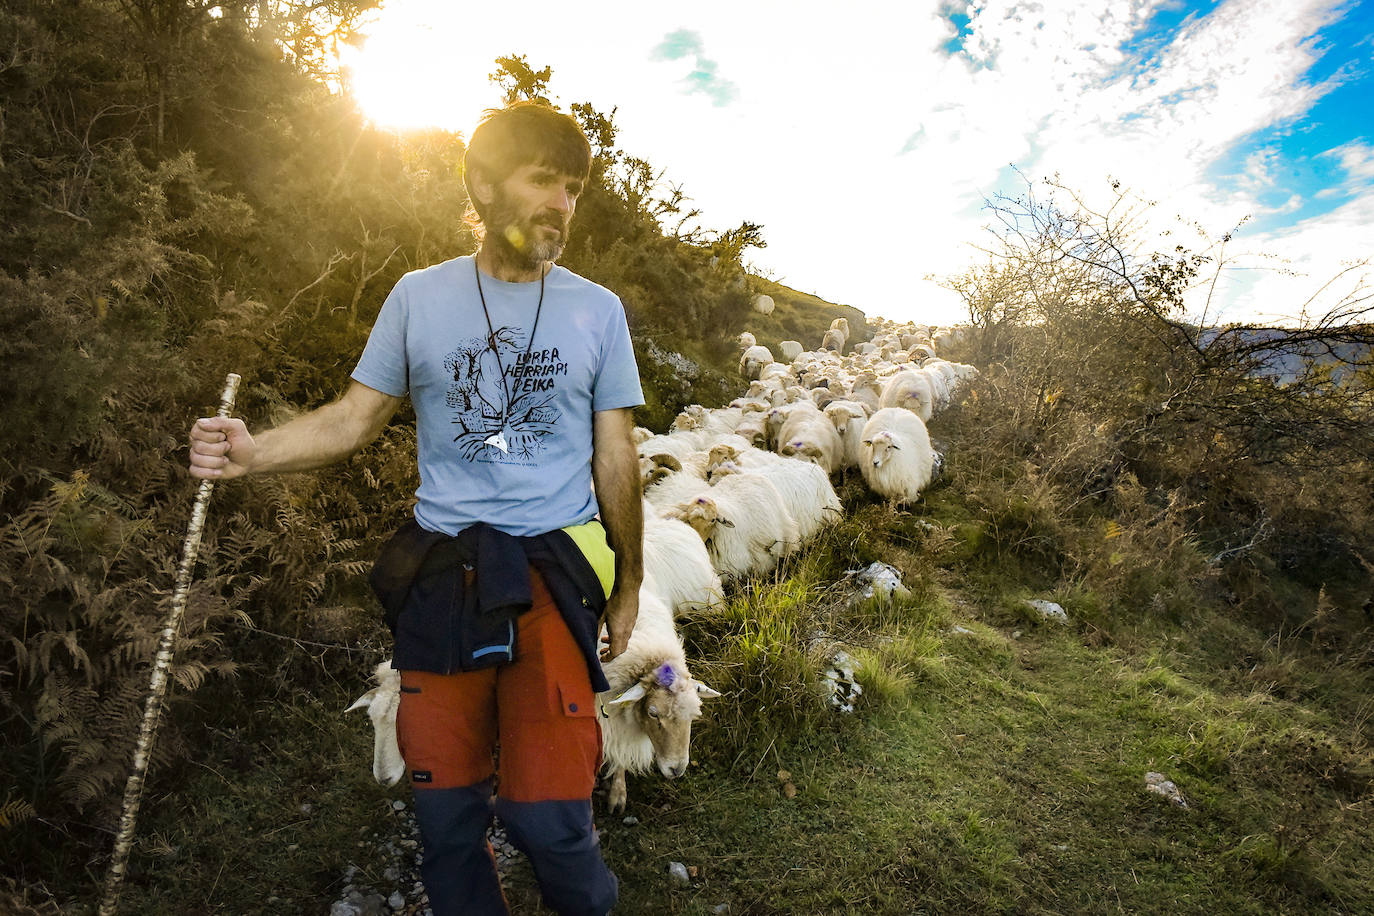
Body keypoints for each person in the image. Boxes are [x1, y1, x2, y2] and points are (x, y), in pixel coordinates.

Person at [188, 102, 643, 916]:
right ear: (482, 183)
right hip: (444, 577)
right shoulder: (417, 297)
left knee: (549, 821)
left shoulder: (597, 310)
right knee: (446, 815)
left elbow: (617, 456)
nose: (562, 204)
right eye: (544, 180)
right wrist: (254, 453)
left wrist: (631, 584)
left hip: (553, 572)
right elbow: (353, 418)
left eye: (573, 188)